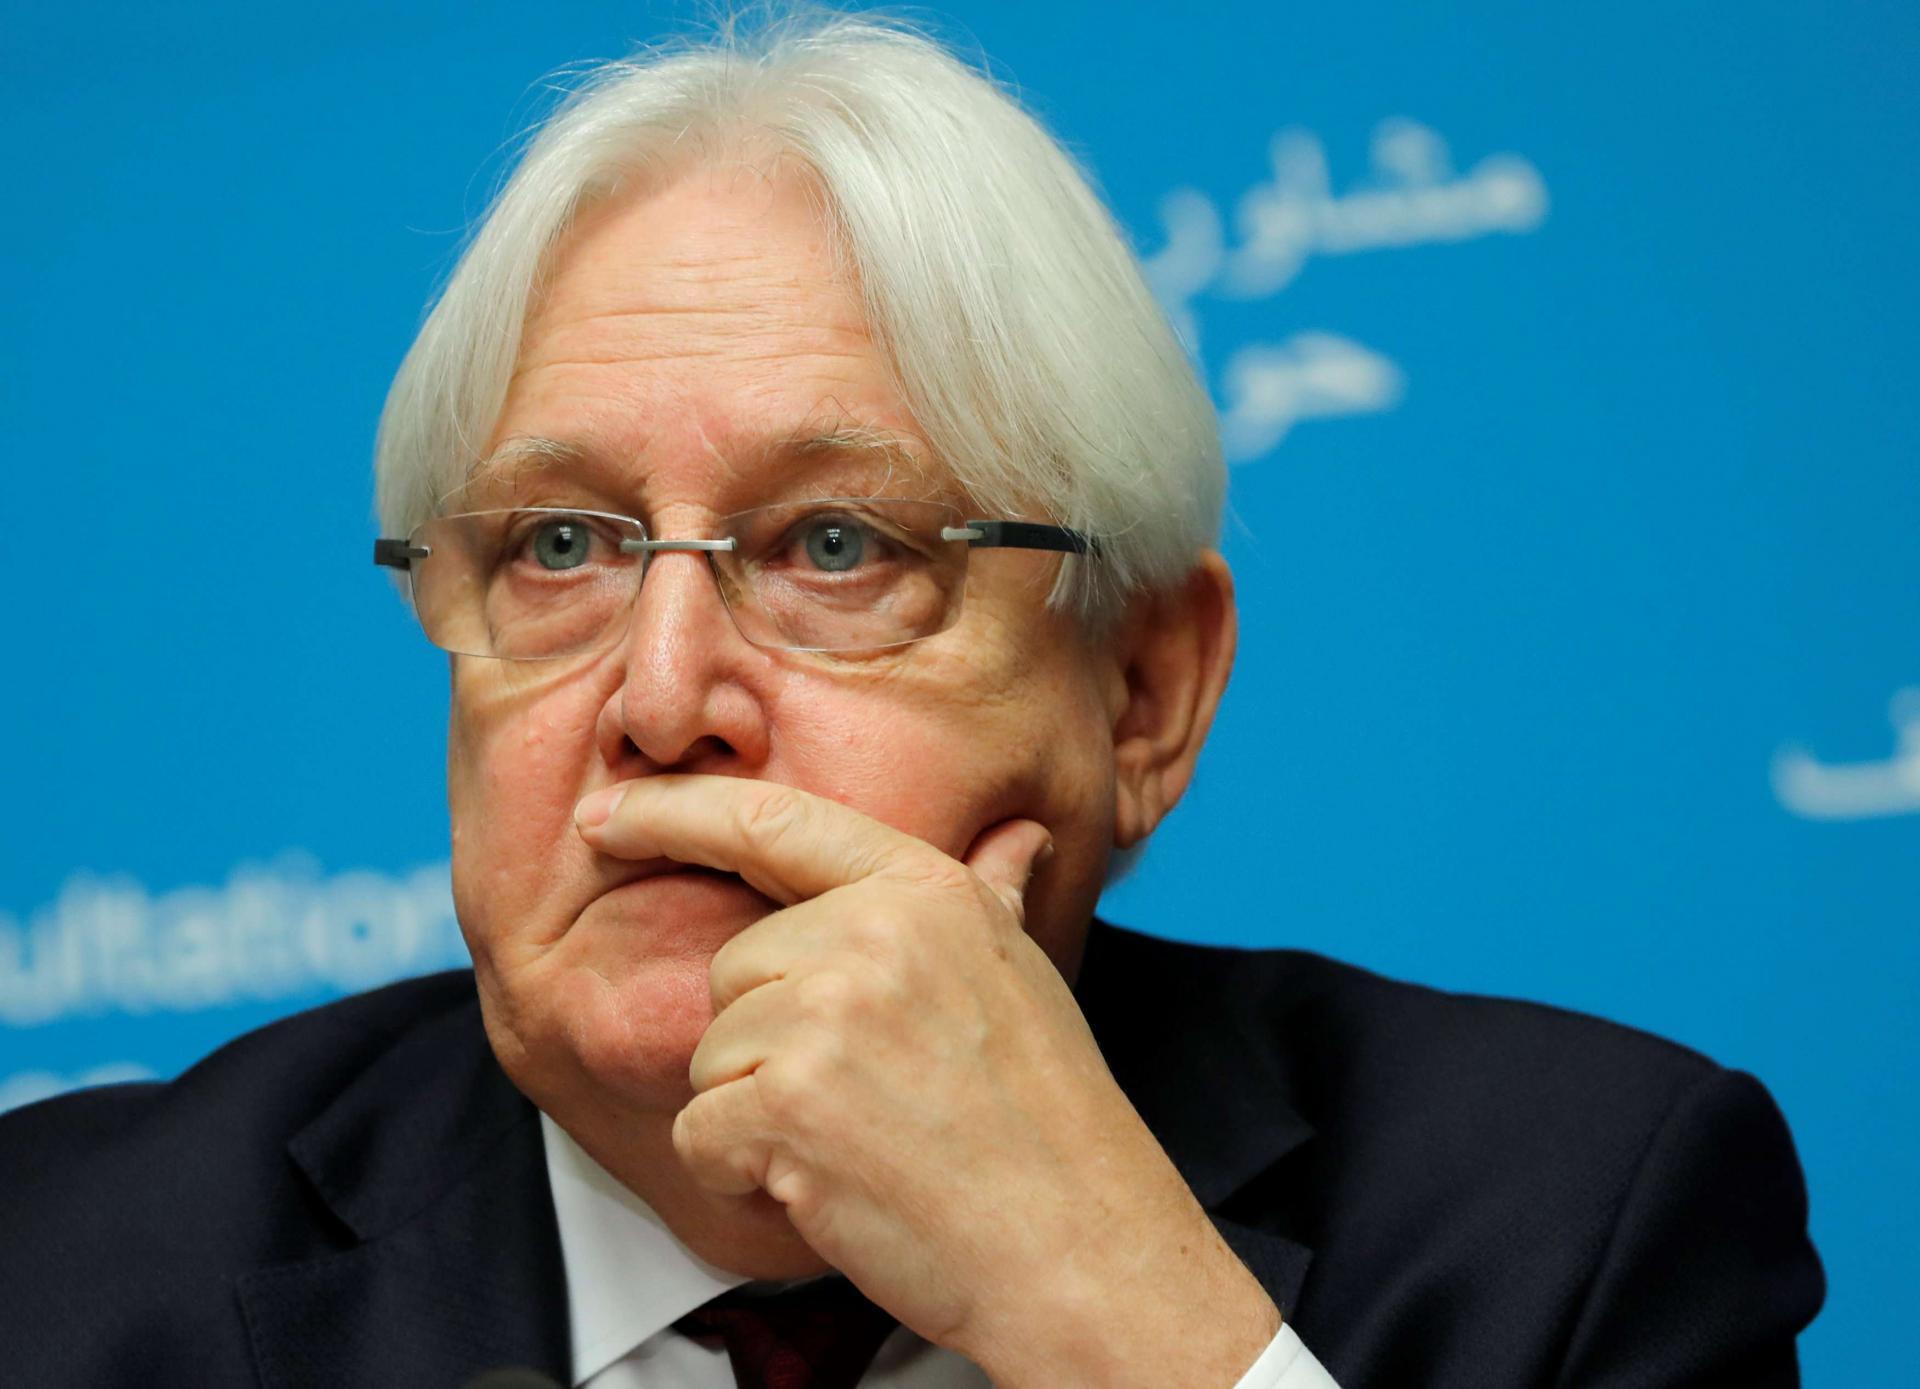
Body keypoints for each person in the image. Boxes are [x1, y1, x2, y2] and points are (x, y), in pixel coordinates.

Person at [0, 11, 1822, 1387]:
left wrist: (1125, 1320)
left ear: (1144, 693)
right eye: (560, 545)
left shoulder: (1575, 1234)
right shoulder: (55, 1278)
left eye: (836, 546)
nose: (662, 697)